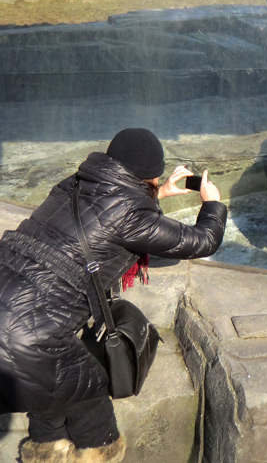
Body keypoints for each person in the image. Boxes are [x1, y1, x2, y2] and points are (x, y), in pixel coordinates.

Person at [0, 128, 227, 463]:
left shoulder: (75, 182)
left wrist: (157, 194)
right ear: (150, 173)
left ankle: (47, 452)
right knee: (88, 389)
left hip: (8, 294)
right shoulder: (133, 216)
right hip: (30, 329)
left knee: (51, 378)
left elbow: (105, 212)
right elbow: (202, 241)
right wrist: (212, 202)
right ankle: (98, 453)